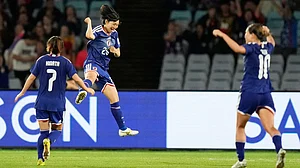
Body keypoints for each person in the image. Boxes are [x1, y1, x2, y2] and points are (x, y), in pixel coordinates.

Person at [213, 24, 286, 168]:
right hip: (265, 93)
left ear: (252, 34)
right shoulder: (267, 48)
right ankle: (280, 149)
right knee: (271, 127)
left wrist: (222, 35)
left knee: (240, 127)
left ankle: (241, 160)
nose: (245, 35)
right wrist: (267, 32)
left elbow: (237, 48)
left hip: (250, 92)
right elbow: (272, 41)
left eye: (246, 32)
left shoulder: (251, 47)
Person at [14, 36, 95, 166]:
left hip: (41, 102)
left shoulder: (41, 60)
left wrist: (22, 92)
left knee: (43, 132)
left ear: (48, 47)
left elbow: (30, 78)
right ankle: (49, 142)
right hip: (57, 103)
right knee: (57, 130)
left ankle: (40, 159)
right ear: (61, 48)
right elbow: (77, 79)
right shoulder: (65, 62)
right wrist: (86, 88)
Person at [75, 5, 139, 137]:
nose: (115, 27)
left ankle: (122, 129)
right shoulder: (99, 30)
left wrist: (114, 51)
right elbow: (89, 36)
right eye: (113, 24)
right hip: (93, 62)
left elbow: (118, 53)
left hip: (104, 68)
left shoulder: (114, 34)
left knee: (115, 99)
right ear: (106, 22)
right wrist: (89, 23)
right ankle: (83, 90)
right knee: (91, 77)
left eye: (117, 25)